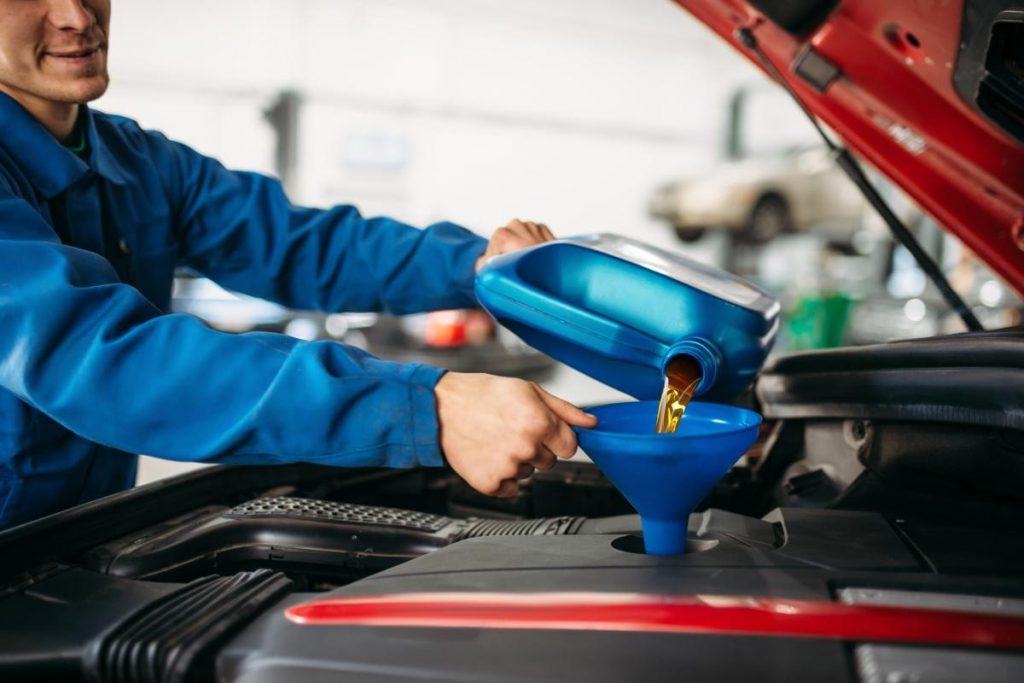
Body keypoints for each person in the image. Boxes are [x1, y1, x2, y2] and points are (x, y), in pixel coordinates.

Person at [0, 0, 596, 529]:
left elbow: (304, 245)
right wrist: (430, 407)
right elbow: (102, 356)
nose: (77, 17)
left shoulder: (140, 163)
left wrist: (487, 267)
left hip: (81, 536)